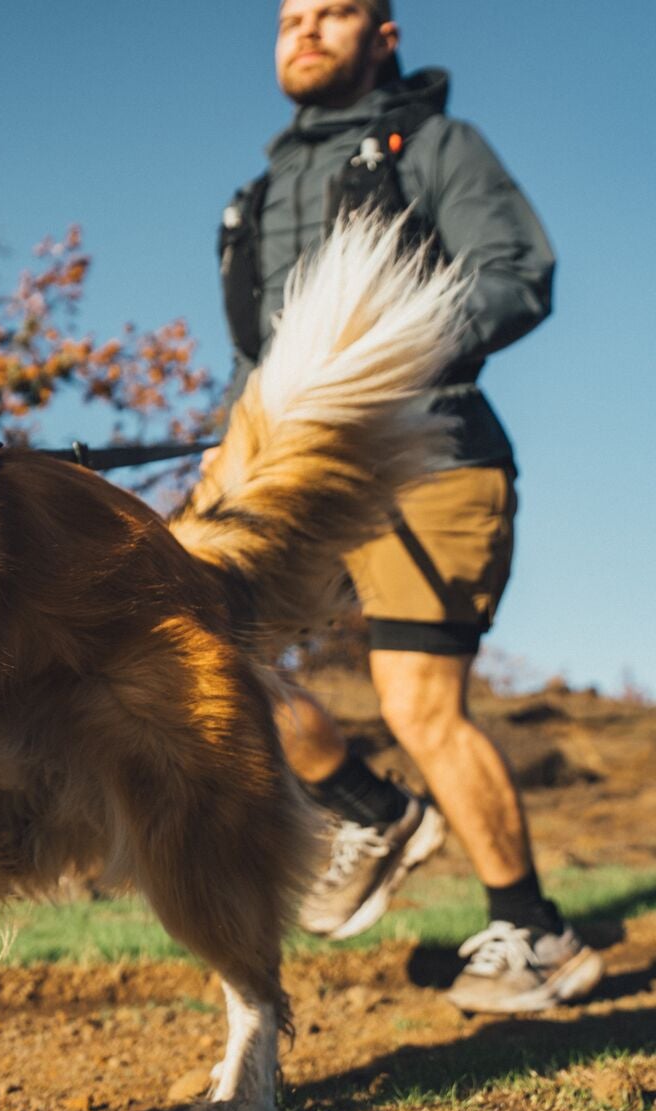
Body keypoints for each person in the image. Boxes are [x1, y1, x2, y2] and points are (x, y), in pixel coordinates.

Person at [215, 0, 603, 1012]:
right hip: (292, 472)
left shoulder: (434, 146)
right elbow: (259, 361)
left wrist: (373, 367)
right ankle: (373, 810)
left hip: (430, 457)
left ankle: (535, 936)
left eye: (333, 12)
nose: (304, 31)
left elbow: (518, 273)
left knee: (418, 700)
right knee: (203, 654)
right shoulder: (260, 195)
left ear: (383, 34)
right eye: (290, 17)